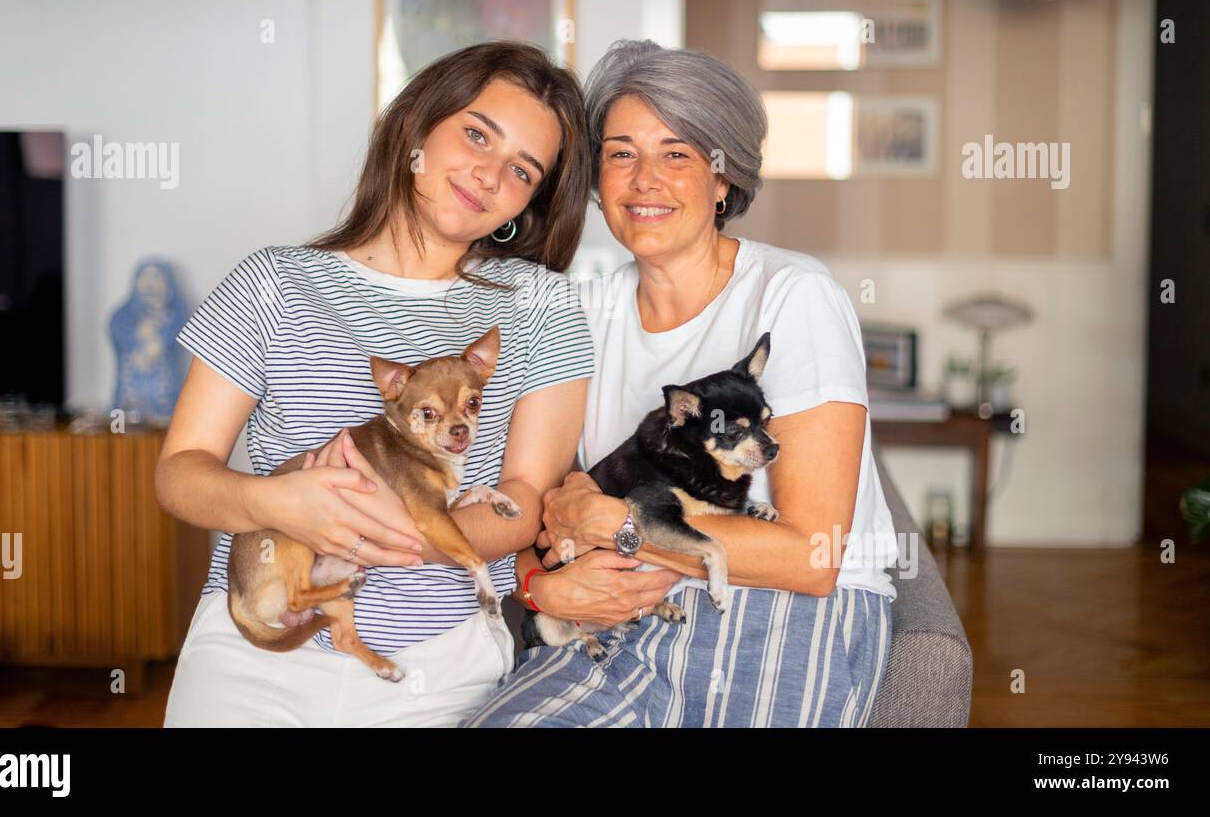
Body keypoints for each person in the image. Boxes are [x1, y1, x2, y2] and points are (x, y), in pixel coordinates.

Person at [158, 41, 602, 727]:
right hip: (254, 656)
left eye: (521, 170)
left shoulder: (543, 306)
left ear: (527, 203)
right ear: (416, 126)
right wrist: (279, 502)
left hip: (439, 668)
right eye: (477, 134)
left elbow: (523, 500)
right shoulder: (273, 283)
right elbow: (181, 474)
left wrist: (405, 531)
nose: (488, 174)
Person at [463, 40, 899, 728]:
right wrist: (545, 584)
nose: (644, 180)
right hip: (623, 613)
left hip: (781, 615)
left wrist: (624, 523)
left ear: (723, 180)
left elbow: (810, 557)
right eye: (620, 152)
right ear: (596, 179)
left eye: (676, 153)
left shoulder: (792, 297)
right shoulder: (581, 314)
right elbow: (538, 507)